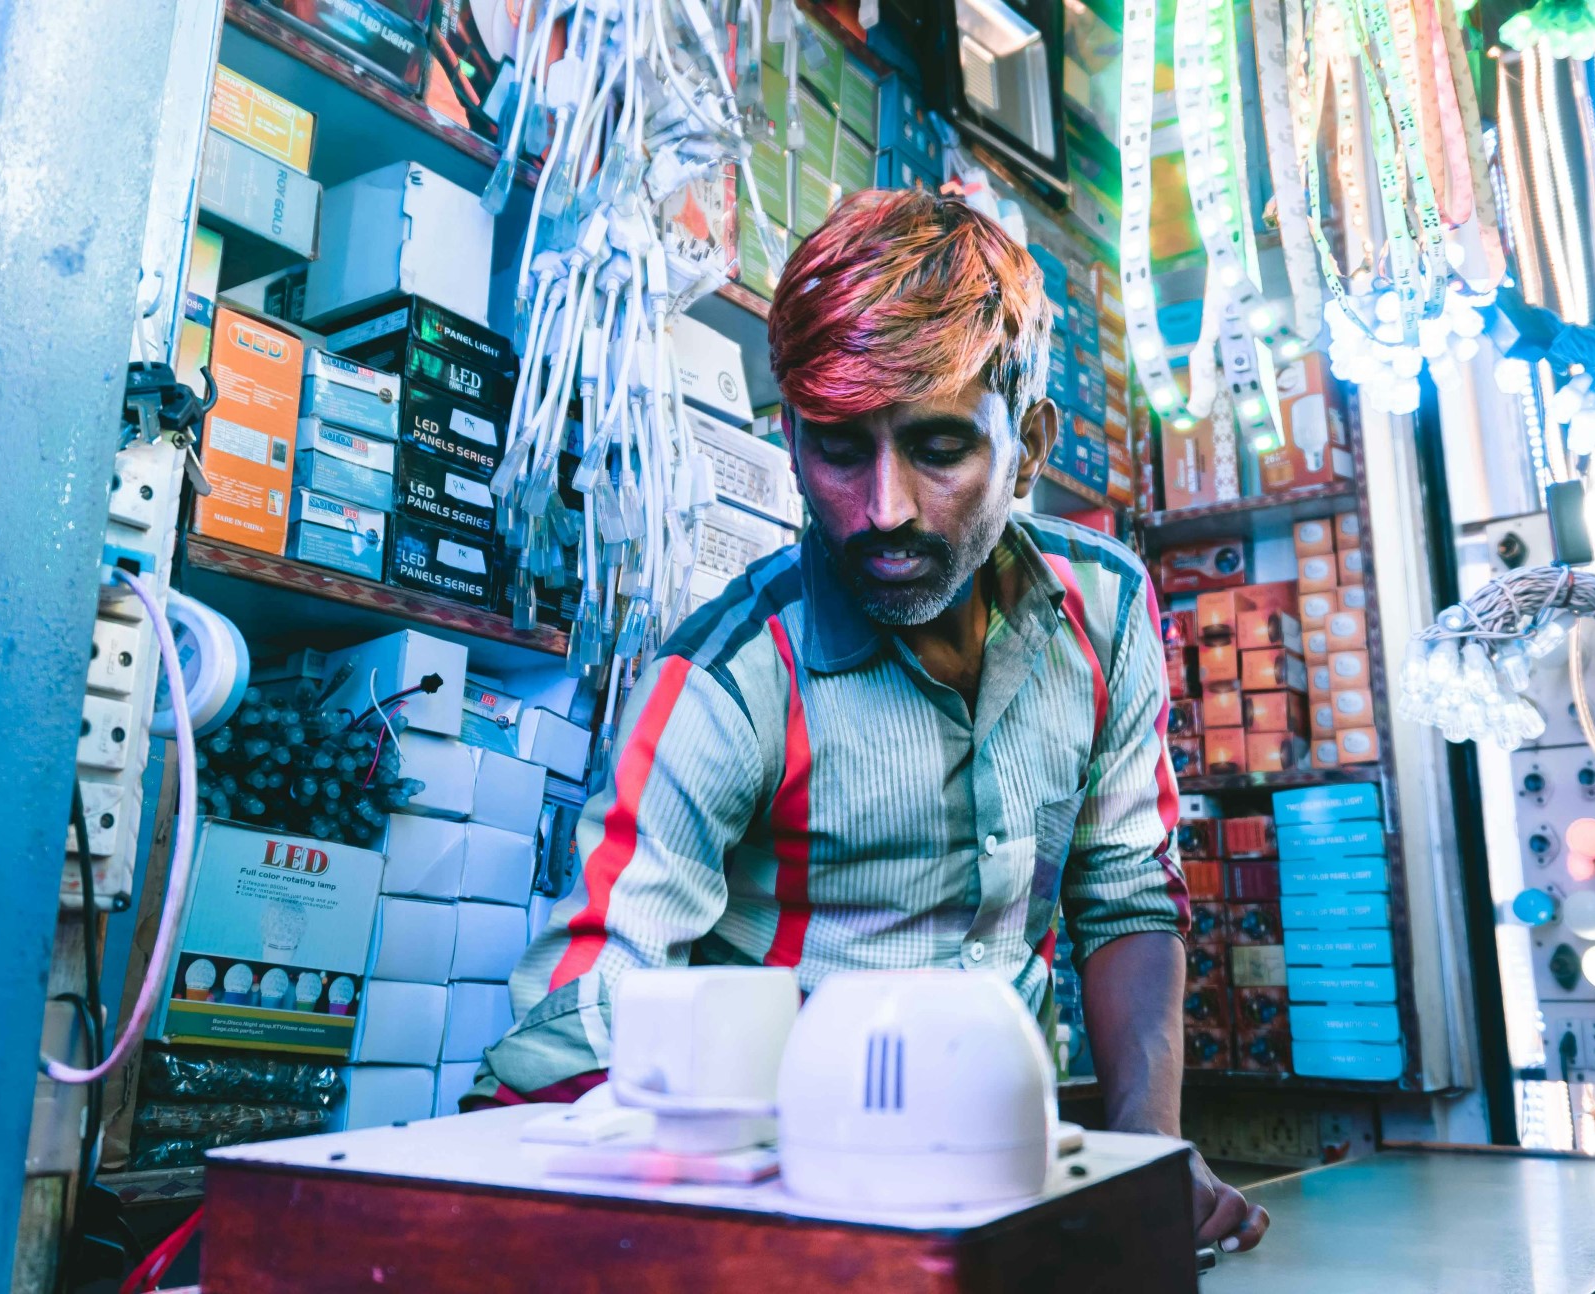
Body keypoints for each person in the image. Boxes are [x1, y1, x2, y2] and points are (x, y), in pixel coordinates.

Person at [463, 188, 1266, 1252]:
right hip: (779, 1213)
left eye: (937, 449)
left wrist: (1143, 1157)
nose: (882, 509)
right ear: (789, 438)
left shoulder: (1105, 613)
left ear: (1026, 447)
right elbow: (584, 1003)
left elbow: (1123, 900)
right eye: (840, 451)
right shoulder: (726, 677)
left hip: (1002, 1192)